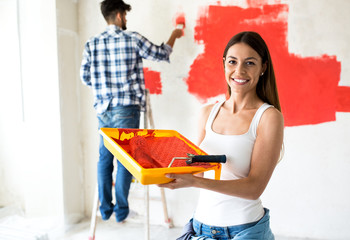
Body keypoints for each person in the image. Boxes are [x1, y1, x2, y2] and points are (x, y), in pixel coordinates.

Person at [159, 31, 284, 239]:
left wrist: (196, 182)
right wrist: (160, 171)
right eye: (233, 62)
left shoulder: (268, 117)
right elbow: (197, 172)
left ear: (263, 67)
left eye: (250, 63)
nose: (239, 70)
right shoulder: (207, 113)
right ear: (224, 63)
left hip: (245, 231)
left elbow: (254, 188)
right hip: (199, 228)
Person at [80, 0, 183, 223]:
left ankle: (105, 209)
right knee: (125, 159)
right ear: (118, 15)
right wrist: (174, 34)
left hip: (103, 108)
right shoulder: (132, 38)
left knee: (105, 158)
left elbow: (85, 77)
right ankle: (122, 211)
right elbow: (160, 54)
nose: (126, 20)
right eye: (125, 16)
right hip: (126, 107)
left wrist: (104, 87)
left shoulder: (92, 43)